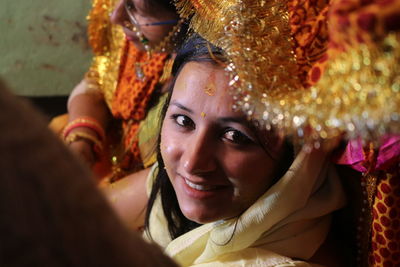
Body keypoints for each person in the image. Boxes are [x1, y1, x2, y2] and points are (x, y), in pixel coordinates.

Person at [104, 34, 348, 266]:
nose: (192, 163)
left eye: (234, 136)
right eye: (183, 121)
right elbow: (77, 214)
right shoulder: (171, 187)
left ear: (296, 154)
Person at [0, 78, 177, 267]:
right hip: (102, 165)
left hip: (148, 198)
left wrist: (81, 200)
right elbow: (98, 81)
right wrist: (83, 136)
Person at [52, 0, 186, 182]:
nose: (115, 17)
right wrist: (82, 139)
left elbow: (172, 179)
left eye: (135, 9)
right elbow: (99, 82)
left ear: (188, 12)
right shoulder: (139, 40)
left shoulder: (208, 78)